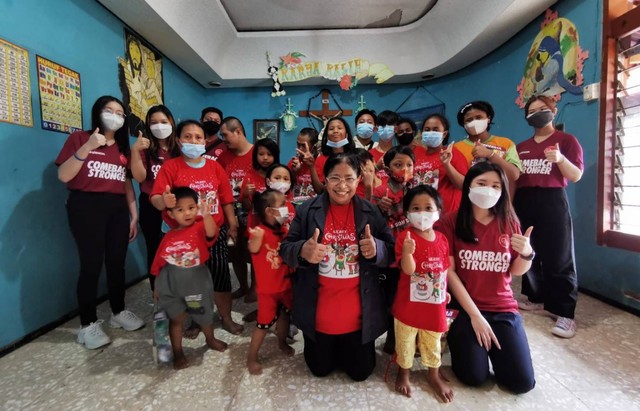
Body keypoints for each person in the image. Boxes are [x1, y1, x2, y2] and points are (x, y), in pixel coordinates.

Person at [280, 153, 395, 381]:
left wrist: (377, 249)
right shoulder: (306, 210)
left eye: (349, 178)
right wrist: (303, 250)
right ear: (324, 179)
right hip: (319, 314)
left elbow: (391, 250)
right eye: (335, 178)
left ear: (358, 179)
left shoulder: (370, 212)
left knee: (361, 373)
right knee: (319, 369)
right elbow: (285, 249)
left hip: (358, 317)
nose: (342, 186)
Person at [439, 162, 536, 394]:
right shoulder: (450, 222)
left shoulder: (510, 222)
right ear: (468, 186)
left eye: (495, 185)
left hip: (502, 308)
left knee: (521, 383)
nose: (488, 190)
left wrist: (527, 253)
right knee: (473, 376)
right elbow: (449, 272)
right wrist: (475, 316)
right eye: (481, 184)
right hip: (463, 308)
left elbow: (515, 271)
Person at [56, 95, 144, 349]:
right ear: (98, 112)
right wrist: (88, 147)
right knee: (91, 264)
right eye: (109, 110)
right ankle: (87, 324)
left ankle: (118, 312)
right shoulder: (80, 139)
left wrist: (133, 214)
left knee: (117, 262)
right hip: (86, 207)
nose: (114, 116)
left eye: (120, 113)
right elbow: (63, 175)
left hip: (116, 208)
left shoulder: (123, 148)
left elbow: (126, 184)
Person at [150, 120, 242, 335]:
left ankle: (226, 318)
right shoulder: (170, 167)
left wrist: (233, 224)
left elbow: (226, 199)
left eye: (198, 137)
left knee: (220, 274)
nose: (193, 141)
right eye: (188, 137)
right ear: (179, 140)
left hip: (214, 231)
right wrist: (164, 201)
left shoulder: (215, 167)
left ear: (205, 140)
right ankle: (195, 320)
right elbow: (155, 197)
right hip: (184, 236)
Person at [514, 95, 584, 338]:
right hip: (524, 200)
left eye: (542, 109)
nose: (537, 113)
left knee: (559, 255)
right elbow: (515, 178)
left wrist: (560, 159)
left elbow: (575, 176)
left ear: (553, 110)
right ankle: (536, 298)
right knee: (528, 250)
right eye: (531, 111)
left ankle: (565, 312)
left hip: (552, 199)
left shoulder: (566, 140)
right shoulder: (521, 146)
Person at [151, 187, 228, 369]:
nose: (187, 213)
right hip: (171, 285)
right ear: (170, 213)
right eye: (180, 209)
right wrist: (156, 287)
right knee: (177, 319)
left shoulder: (200, 227)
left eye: (191, 208)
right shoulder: (168, 236)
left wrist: (206, 214)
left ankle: (210, 339)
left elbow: (212, 233)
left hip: (196, 285)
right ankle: (178, 352)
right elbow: (158, 265)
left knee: (203, 314)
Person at [393, 185, 453, 402]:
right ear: (407, 212)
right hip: (408, 305)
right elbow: (407, 269)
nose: (422, 213)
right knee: (406, 341)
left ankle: (433, 374)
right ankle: (404, 373)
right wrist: (408, 253)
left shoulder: (442, 239)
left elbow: (443, 269)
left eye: (428, 207)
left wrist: (444, 292)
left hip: (434, 305)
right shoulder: (405, 237)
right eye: (416, 208)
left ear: (438, 211)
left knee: (433, 340)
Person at [371, 145, 415, 354]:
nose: (404, 169)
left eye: (409, 165)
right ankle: (387, 335)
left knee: (405, 298)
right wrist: (380, 209)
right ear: (387, 169)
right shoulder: (380, 192)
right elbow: (370, 224)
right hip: (388, 256)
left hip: (410, 255)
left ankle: (400, 338)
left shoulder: (416, 192)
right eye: (398, 165)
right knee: (387, 299)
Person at [130, 105, 180, 291]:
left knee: (179, 249)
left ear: (171, 122)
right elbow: (140, 177)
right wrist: (135, 151)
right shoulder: (144, 148)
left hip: (177, 206)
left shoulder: (179, 147)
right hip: (151, 205)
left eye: (163, 122)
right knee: (155, 250)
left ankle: (179, 293)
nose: (159, 126)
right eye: (153, 123)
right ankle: (159, 297)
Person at [246, 190, 294, 375]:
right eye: (283, 204)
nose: (287, 207)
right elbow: (252, 247)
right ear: (270, 211)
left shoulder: (283, 230)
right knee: (263, 324)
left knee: (284, 316)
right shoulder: (259, 232)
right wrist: (255, 238)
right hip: (269, 291)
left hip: (286, 286)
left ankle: (281, 342)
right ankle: (252, 357)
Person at [454, 101, 522, 198]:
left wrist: (490, 154)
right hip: (468, 204)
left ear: (488, 119)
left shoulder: (506, 143)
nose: (474, 122)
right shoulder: (456, 148)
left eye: (479, 117)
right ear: (463, 124)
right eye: (469, 120)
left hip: (499, 203)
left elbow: (514, 175)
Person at [218, 117, 254, 300]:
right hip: (230, 212)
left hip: (252, 211)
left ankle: (256, 288)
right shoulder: (222, 157)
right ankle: (243, 286)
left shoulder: (257, 153)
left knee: (254, 252)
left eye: (225, 135)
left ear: (238, 131)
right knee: (235, 251)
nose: (222, 139)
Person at [414, 113, 468, 212]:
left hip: (447, 215)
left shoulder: (452, 154)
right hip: (422, 215)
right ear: (422, 133)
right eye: (427, 129)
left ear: (444, 134)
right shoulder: (416, 156)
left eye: (435, 129)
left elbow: (464, 185)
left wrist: (447, 165)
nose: (431, 132)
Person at [300, 116, 357, 195]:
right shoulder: (321, 160)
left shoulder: (355, 157)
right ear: (326, 135)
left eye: (339, 128)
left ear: (346, 134)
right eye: (331, 129)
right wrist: (311, 166)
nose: (335, 131)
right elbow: (319, 190)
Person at [289, 128, 319, 205]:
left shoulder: (321, 162)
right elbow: (286, 187)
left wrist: (311, 166)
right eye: (298, 145)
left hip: (314, 206)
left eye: (303, 145)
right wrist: (294, 172)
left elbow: (321, 190)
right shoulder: (294, 161)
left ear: (314, 146)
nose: (300, 149)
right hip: (296, 206)